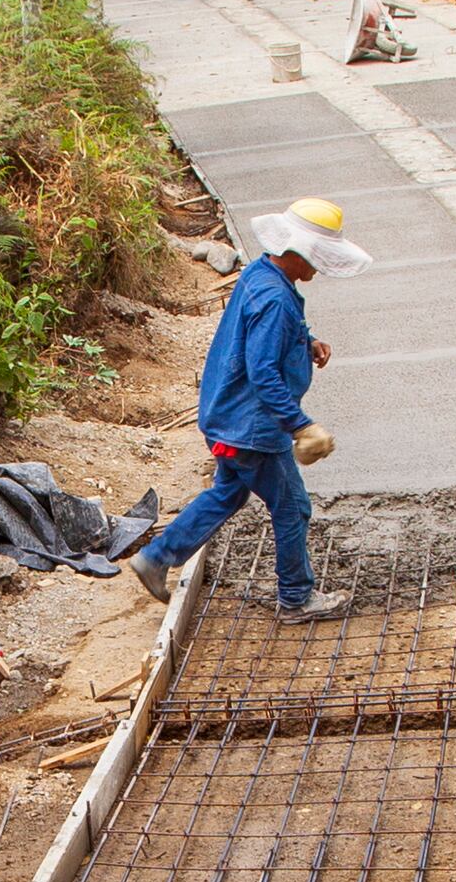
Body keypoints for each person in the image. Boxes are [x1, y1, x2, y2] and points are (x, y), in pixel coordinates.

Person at [133, 199, 371, 623]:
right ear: (299, 253)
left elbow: (259, 338)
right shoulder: (275, 300)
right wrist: (300, 425)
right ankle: (297, 598)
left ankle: (156, 557)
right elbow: (263, 374)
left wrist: (305, 340)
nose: (319, 270)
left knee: (229, 492)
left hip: (226, 416)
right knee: (292, 507)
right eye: (318, 259)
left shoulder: (261, 275)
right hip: (251, 428)